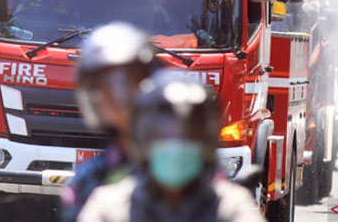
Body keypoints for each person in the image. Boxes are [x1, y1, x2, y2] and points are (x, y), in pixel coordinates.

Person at [77, 71, 265, 222]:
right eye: (163, 137)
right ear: (142, 142)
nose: (175, 147)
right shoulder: (109, 207)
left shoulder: (232, 206)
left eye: (188, 136)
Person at [60, 22, 157, 222]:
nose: (121, 95)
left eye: (132, 81)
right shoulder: (88, 180)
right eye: (108, 86)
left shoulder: (184, 166)